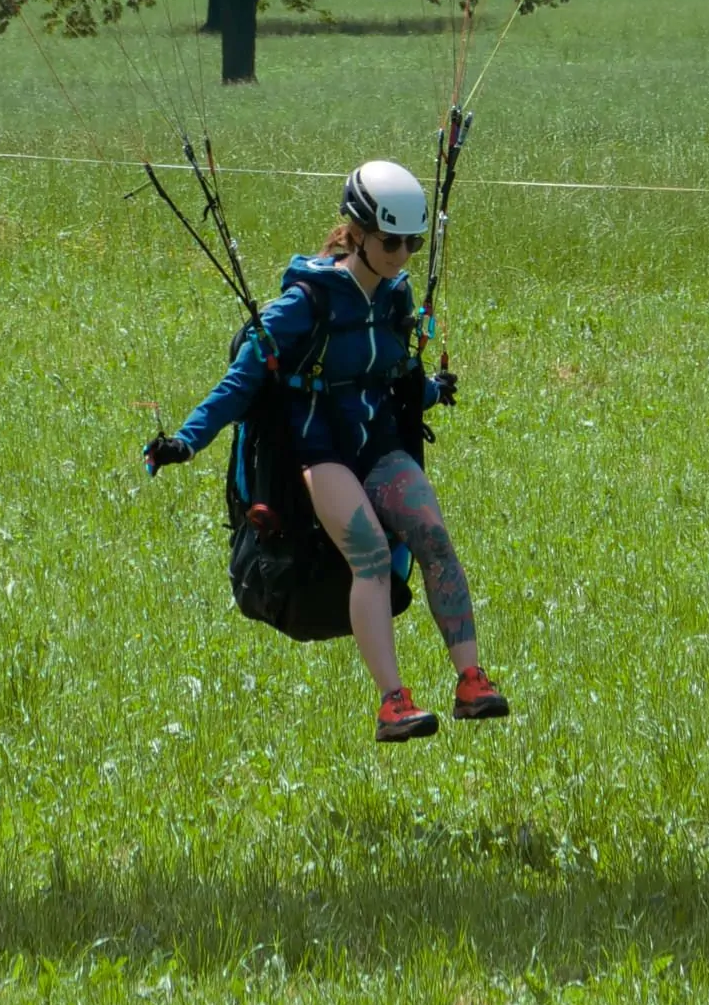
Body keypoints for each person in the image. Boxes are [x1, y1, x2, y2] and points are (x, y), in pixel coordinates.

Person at [144, 159, 508, 744]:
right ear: (359, 234)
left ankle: (470, 680)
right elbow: (240, 383)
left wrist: (432, 391)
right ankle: (393, 702)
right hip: (320, 452)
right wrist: (187, 439)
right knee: (366, 550)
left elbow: (396, 371)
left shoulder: (394, 298)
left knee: (434, 539)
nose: (404, 253)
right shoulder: (304, 305)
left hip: (377, 445)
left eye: (413, 242)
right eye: (392, 241)